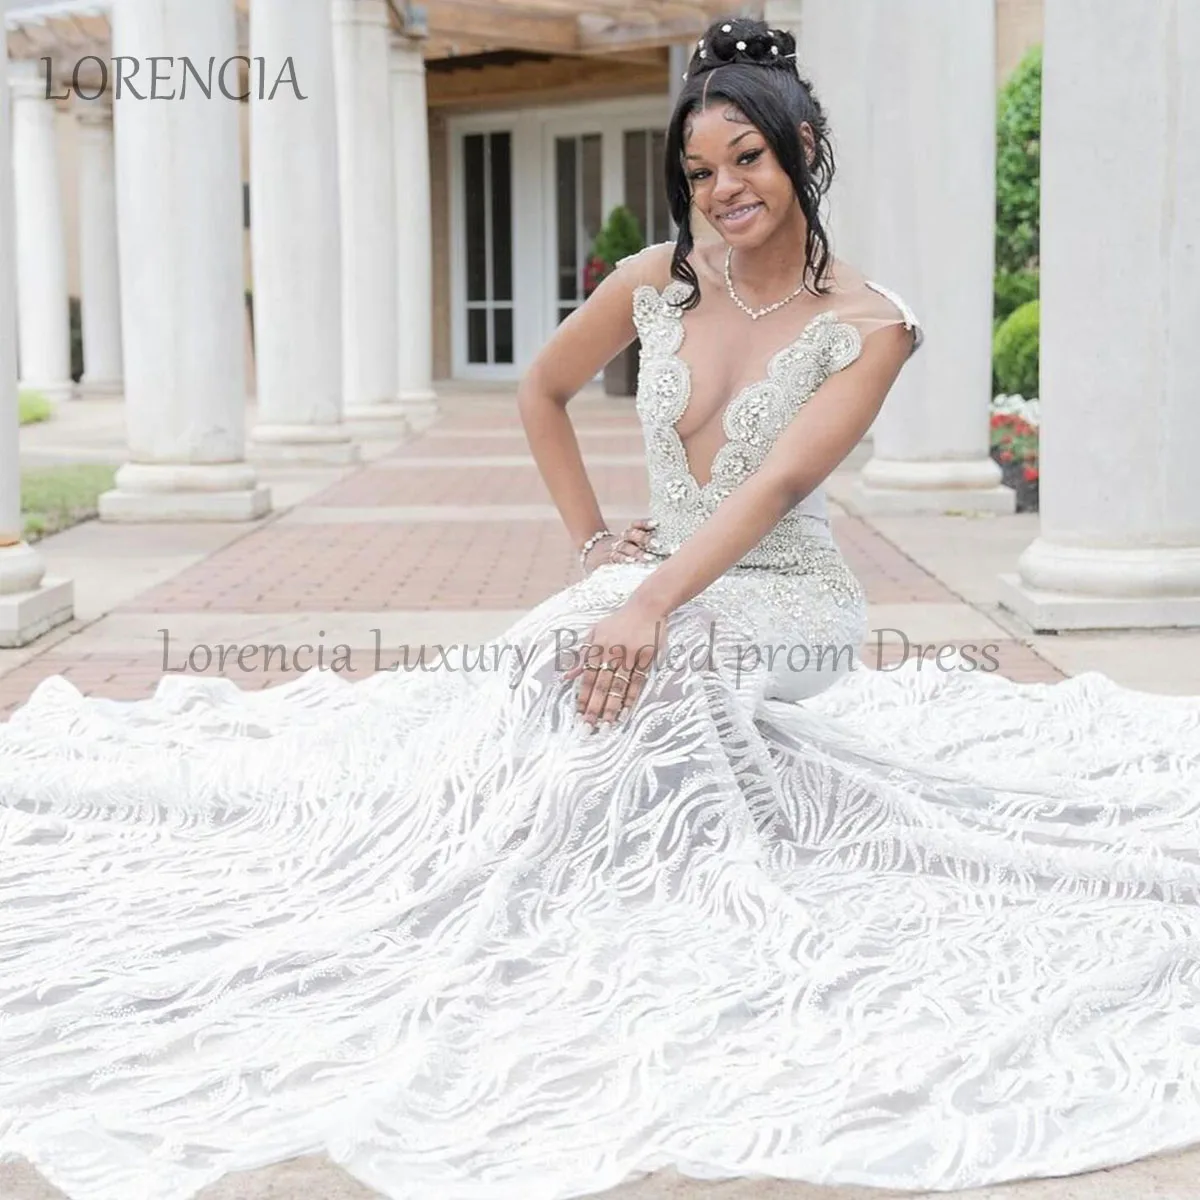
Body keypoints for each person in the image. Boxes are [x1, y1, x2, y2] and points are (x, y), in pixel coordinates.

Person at [2, 14, 1200, 1200]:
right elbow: (540, 387)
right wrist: (593, 548)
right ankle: (502, 876)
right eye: (697, 169)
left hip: (786, 594)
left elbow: (780, 484)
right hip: (662, 574)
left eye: (748, 158)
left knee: (654, 668)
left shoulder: (872, 326)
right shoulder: (655, 283)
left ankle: (658, 912)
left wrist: (649, 606)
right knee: (543, 664)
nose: (723, 188)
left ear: (804, 146)